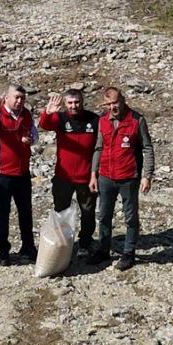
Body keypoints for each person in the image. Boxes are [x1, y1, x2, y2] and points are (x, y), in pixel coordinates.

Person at [87, 87, 155, 271]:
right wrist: (93, 173)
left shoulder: (136, 120)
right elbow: (98, 148)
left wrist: (147, 176)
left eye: (115, 103)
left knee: (130, 217)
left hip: (128, 177)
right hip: (106, 176)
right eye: (108, 104)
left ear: (123, 100)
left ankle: (129, 252)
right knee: (104, 215)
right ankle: (103, 249)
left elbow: (147, 149)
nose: (112, 107)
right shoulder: (102, 121)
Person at [38, 88, 99, 260]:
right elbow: (44, 125)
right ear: (65, 104)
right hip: (63, 177)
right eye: (70, 103)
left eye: (77, 102)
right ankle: (62, 243)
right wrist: (47, 113)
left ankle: (85, 243)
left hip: (86, 177)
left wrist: (96, 173)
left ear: (82, 102)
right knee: (61, 211)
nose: (74, 106)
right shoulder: (61, 118)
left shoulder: (93, 119)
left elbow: (100, 146)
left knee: (88, 212)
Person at [0, 84, 39, 265]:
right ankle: (4, 252)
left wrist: (30, 139)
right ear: (6, 98)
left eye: (22, 98)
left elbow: (34, 135)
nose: (19, 101)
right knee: (3, 212)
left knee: (25, 211)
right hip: (3, 173)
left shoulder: (26, 115)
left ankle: (28, 248)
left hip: (22, 172)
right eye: (16, 97)